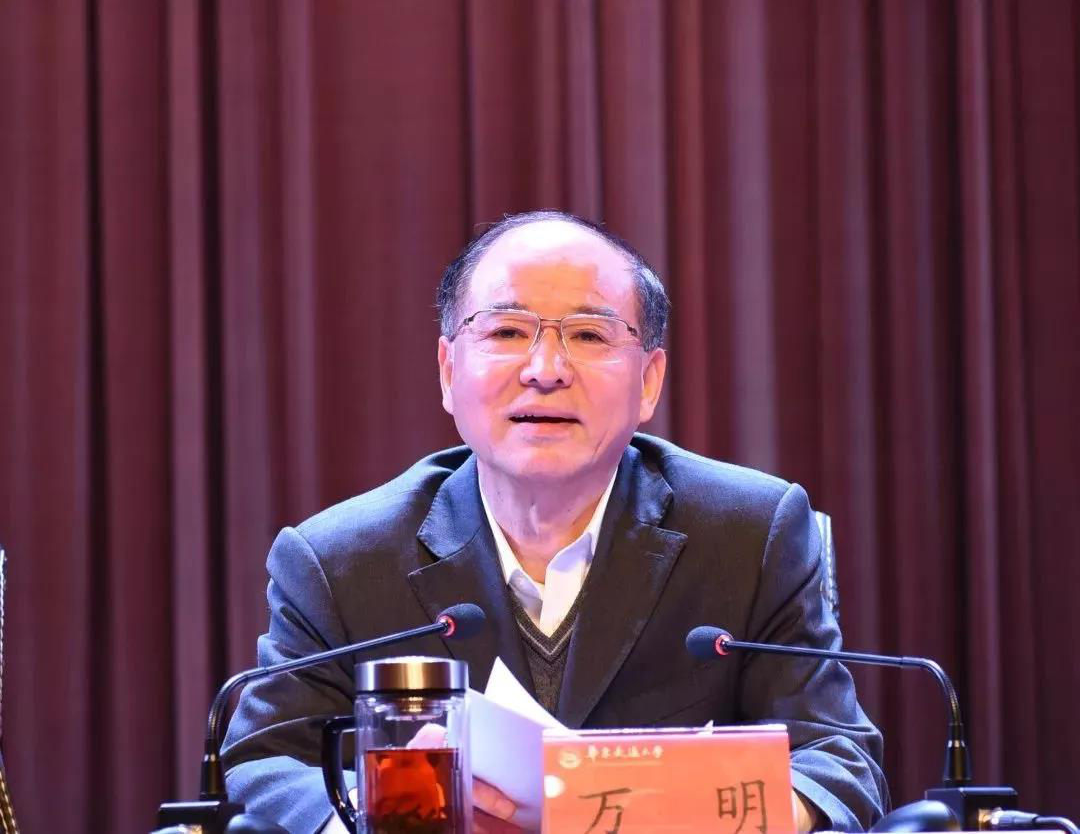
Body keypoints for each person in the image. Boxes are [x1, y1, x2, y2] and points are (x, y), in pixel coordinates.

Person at [222, 211, 888, 832]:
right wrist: (394, 812)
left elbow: (838, 761)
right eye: (507, 332)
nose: (545, 371)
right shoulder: (341, 562)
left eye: (589, 335)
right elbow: (264, 759)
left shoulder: (750, 534)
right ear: (449, 371)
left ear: (649, 381)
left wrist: (674, 810)